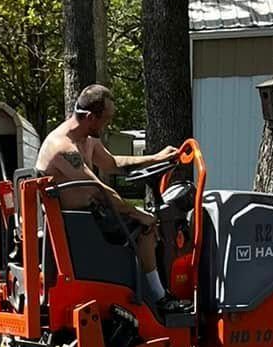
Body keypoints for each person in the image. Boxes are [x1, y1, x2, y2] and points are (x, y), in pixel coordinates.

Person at [36, 84, 181, 311]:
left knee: (145, 221)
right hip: (75, 224)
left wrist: (157, 158)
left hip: (90, 218)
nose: (107, 125)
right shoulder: (62, 146)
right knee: (146, 228)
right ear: (90, 117)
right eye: (105, 119)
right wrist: (139, 214)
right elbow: (99, 190)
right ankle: (159, 298)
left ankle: (151, 292)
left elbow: (113, 164)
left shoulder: (88, 139)